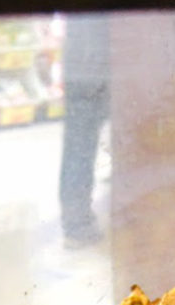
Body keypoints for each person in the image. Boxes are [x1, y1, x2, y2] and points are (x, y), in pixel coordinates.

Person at [58, 15, 110, 248]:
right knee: (131, 142)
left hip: (78, 67)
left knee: (77, 149)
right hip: (109, 67)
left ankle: (76, 226)